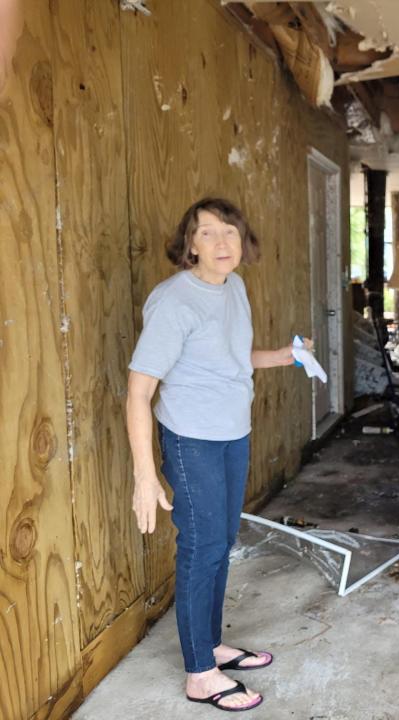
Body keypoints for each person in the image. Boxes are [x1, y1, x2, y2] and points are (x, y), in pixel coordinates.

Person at [126, 197, 308, 712]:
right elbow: (139, 390)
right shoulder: (174, 301)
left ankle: (211, 646)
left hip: (233, 432)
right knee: (201, 547)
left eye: (229, 231)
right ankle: (200, 674)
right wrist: (146, 476)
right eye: (207, 233)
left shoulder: (235, 288)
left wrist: (285, 356)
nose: (221, 242)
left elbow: (230, 358)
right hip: (191, 439)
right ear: (189, 246)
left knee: (221, 540)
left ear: (242, 241)